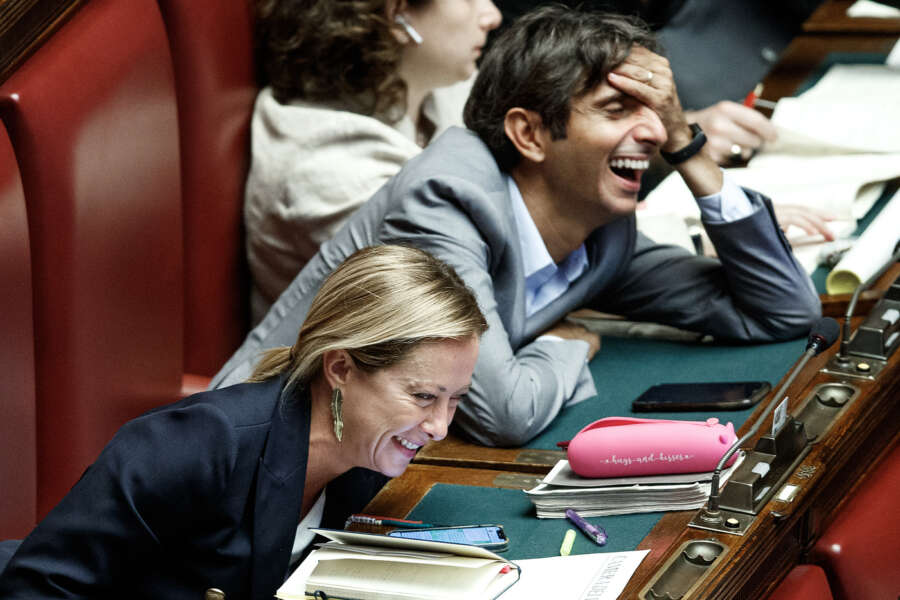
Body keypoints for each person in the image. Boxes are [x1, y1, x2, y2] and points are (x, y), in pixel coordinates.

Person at [210, 6, 821, 448]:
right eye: (618, 110)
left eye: (657, 114)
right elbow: (502, 412)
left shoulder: (601, 238)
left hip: (379, 456)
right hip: (251, 464)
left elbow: (783, 311)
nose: (655, 133)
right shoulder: (443, 201)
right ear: (529, 134)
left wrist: (690, 148)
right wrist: (565, 344)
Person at [0, 246, 488, 599]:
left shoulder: (366, 458)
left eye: (455, 400)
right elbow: (35, 587)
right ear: (340, 368)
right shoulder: (199, 444)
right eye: (423, 396)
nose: (439, 427)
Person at [246, 0, 502, 322]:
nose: (493, 16)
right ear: (398, 16)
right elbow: (463, 318)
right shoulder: (333, 175)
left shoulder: (437, 85)